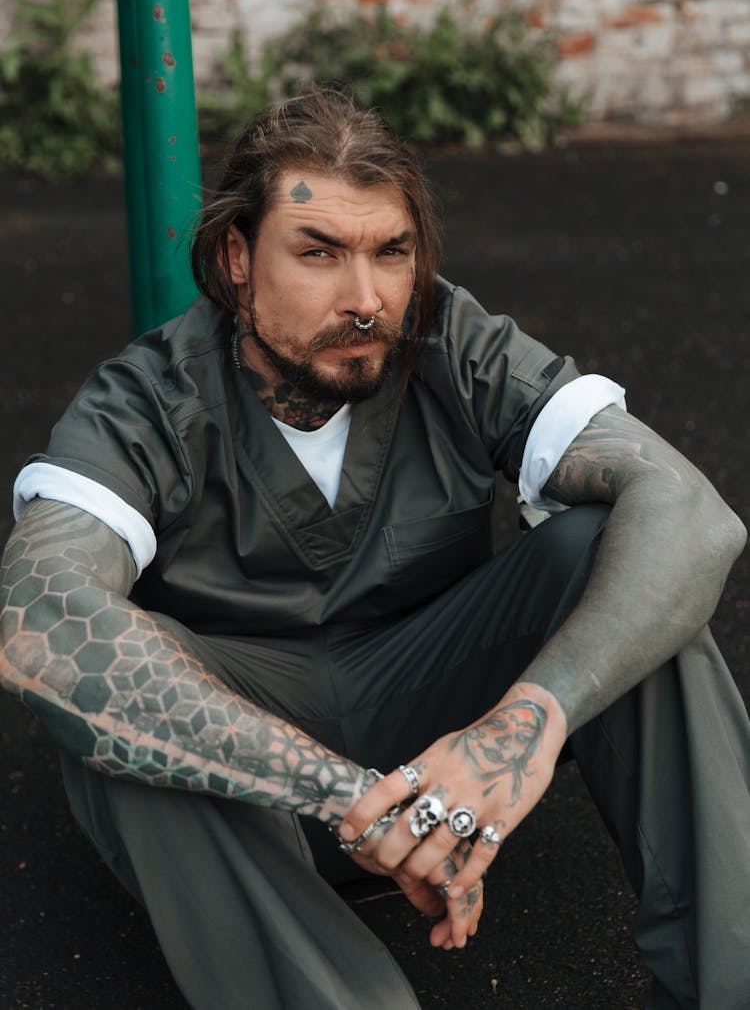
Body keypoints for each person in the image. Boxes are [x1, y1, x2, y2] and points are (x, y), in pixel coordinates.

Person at [1, 88, 748, 1010]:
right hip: (253, 796)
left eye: (390, 253)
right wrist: (359, 797)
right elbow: (39, 623)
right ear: (237, 260)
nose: (365, 298)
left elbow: (692, 511)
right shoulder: (146, 400)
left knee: (620, 549)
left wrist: (526, 724)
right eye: (318, 253)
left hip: (431, 726)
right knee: (117, 699)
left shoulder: (448, 339)